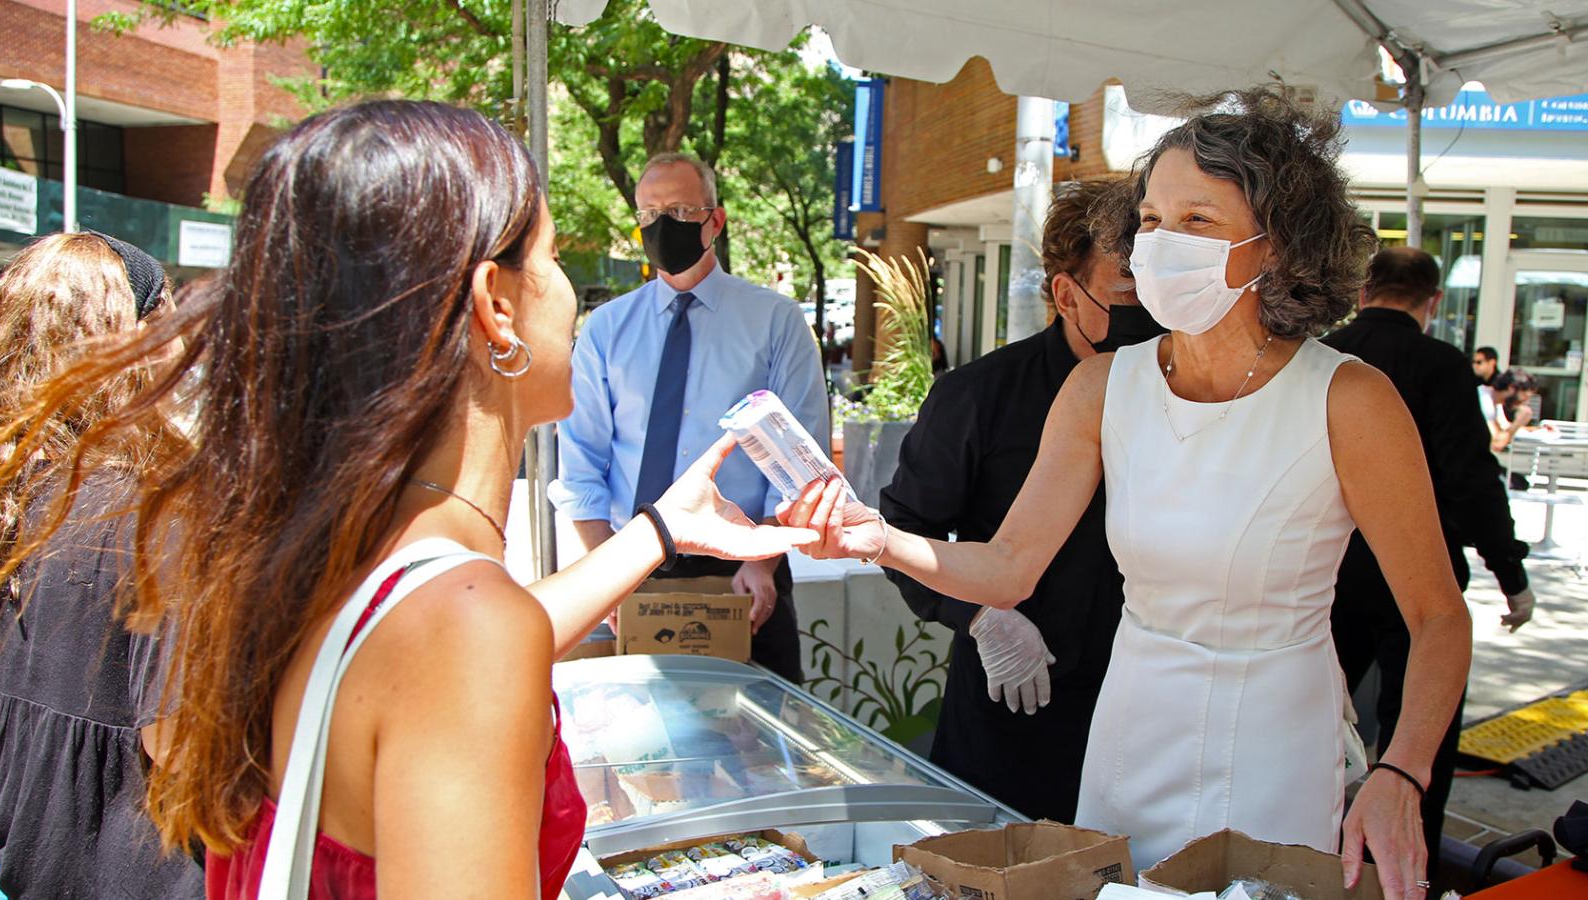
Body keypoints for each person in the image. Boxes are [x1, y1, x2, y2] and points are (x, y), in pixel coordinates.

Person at [0, 101, 813, 899]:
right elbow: (466, 647)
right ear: (497, 306)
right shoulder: (459, 629)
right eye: (555, 257)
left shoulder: (320, 554)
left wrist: (661, 527)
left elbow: (465, 635)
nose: (572, 291)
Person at [785, 88, 1471, 899]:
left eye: (1197, 221)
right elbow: (1009, 567)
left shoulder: (1350, 399)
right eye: (1149, 220)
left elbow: (1438, 616)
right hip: (1130, 729)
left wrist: (1403, 771)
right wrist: (877, 537)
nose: (1160, 243)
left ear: (1279, 246)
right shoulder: (1103, 388)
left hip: (1278, 742)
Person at [880, 179, 1162, 822]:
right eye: (1128, 294)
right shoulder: (978, 397)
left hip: (1146, 697)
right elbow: (903, 526)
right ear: (1066, 293)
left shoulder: (1181, 394)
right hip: (1017, 696)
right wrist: (981, 616)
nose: (1149, 312)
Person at [551, 152, 830, 682]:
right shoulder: (606, 330)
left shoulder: (775, 321)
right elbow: (582, 462)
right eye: (650, 214)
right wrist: (607, 569)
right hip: (630, 564)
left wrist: (762, 561)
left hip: (745, 571)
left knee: (761, 748)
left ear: (715, 221)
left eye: (680, 212)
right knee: (640, 749)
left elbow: (799, 459)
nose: (663, 227)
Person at [0, 233, 201, 899]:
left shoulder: (6, 495)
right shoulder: (157, 510)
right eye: (166, 320)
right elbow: (181, 747)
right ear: (132, 343)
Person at [1323, 246, 1534, 885]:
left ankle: (1304, 859)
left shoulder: (1323, 357)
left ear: (1363, 293)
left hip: (1324, 575)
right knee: (1418, 748)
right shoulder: (1440, 364)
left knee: (1312, 728)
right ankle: (1408, 878)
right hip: (1417, 579)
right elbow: (1472, 479)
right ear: (1432, 301)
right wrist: (1510, 572)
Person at [1485, 368, 1541, 487]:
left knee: (1521, 482)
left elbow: (1504, 430)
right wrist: (1518, 423)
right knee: (1513, 484)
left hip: (1480, 462)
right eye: (1523, 398)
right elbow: (1497, 444)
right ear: (1511, 388)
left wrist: (1538, 429)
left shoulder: (1496, 402)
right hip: (1466, 465)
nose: (1524, 403)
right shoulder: (1485, 403)